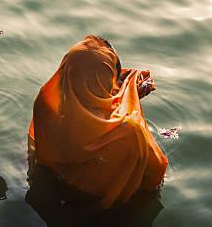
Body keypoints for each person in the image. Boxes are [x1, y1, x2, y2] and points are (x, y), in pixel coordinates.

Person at [28, 35, 168, 210]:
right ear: (104, 81)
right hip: (108, 212)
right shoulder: (130, 131)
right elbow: (155, 174)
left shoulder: (46, 105)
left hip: (52, 197)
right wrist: (133, 105)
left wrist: (130, 91)